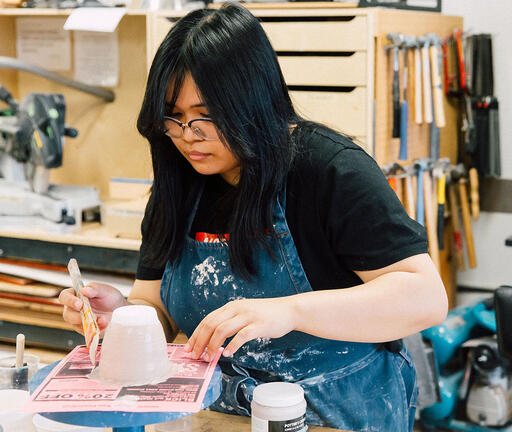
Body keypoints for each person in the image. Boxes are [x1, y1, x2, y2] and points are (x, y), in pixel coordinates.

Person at [59, 4, 447, 431]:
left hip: (338, 410)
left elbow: (425, 298)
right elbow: (157, 307)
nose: (189, 136)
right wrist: (125, 316)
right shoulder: (179, 183)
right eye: (174, 117)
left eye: (206, 115)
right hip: (220, 412)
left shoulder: (330, 169)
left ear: (253, 102)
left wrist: (290, 311)